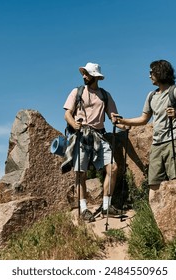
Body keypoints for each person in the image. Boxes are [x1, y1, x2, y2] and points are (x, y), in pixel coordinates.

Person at [112, 59, 176, 204]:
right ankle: (155, 219)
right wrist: (122, 121)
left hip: (174, 140)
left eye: (151, 72)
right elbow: (144, 119)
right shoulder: (151, 96)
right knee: (154, 183)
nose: (149, 75)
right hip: (157, 143)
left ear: (160, 72)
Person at [63, 62, 125, 222]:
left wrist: (125, 124)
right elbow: (67, 114)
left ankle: (106, 205)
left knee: (113, 168)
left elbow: (114, 117)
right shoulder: (77, 92)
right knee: (80, 173)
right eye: (83, 73)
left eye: (87, 74)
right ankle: (84, 209)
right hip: (81, 135)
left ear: (95, 76)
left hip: (99, 135)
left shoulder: (105, 95)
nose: (84, 76)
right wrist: (74, 124)